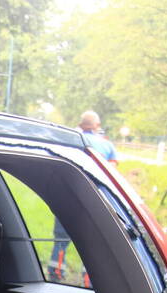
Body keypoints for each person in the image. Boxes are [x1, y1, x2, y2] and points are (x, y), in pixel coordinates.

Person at [50, 110, 117, 282]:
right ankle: (89, 279)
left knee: (61, 239)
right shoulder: (106, 146)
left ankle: (56, 272)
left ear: (81, 125)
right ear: (97, 126)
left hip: (66, 198)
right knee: (93, 241)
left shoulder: (68, 142)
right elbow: (113, 174)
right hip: (94, 201)